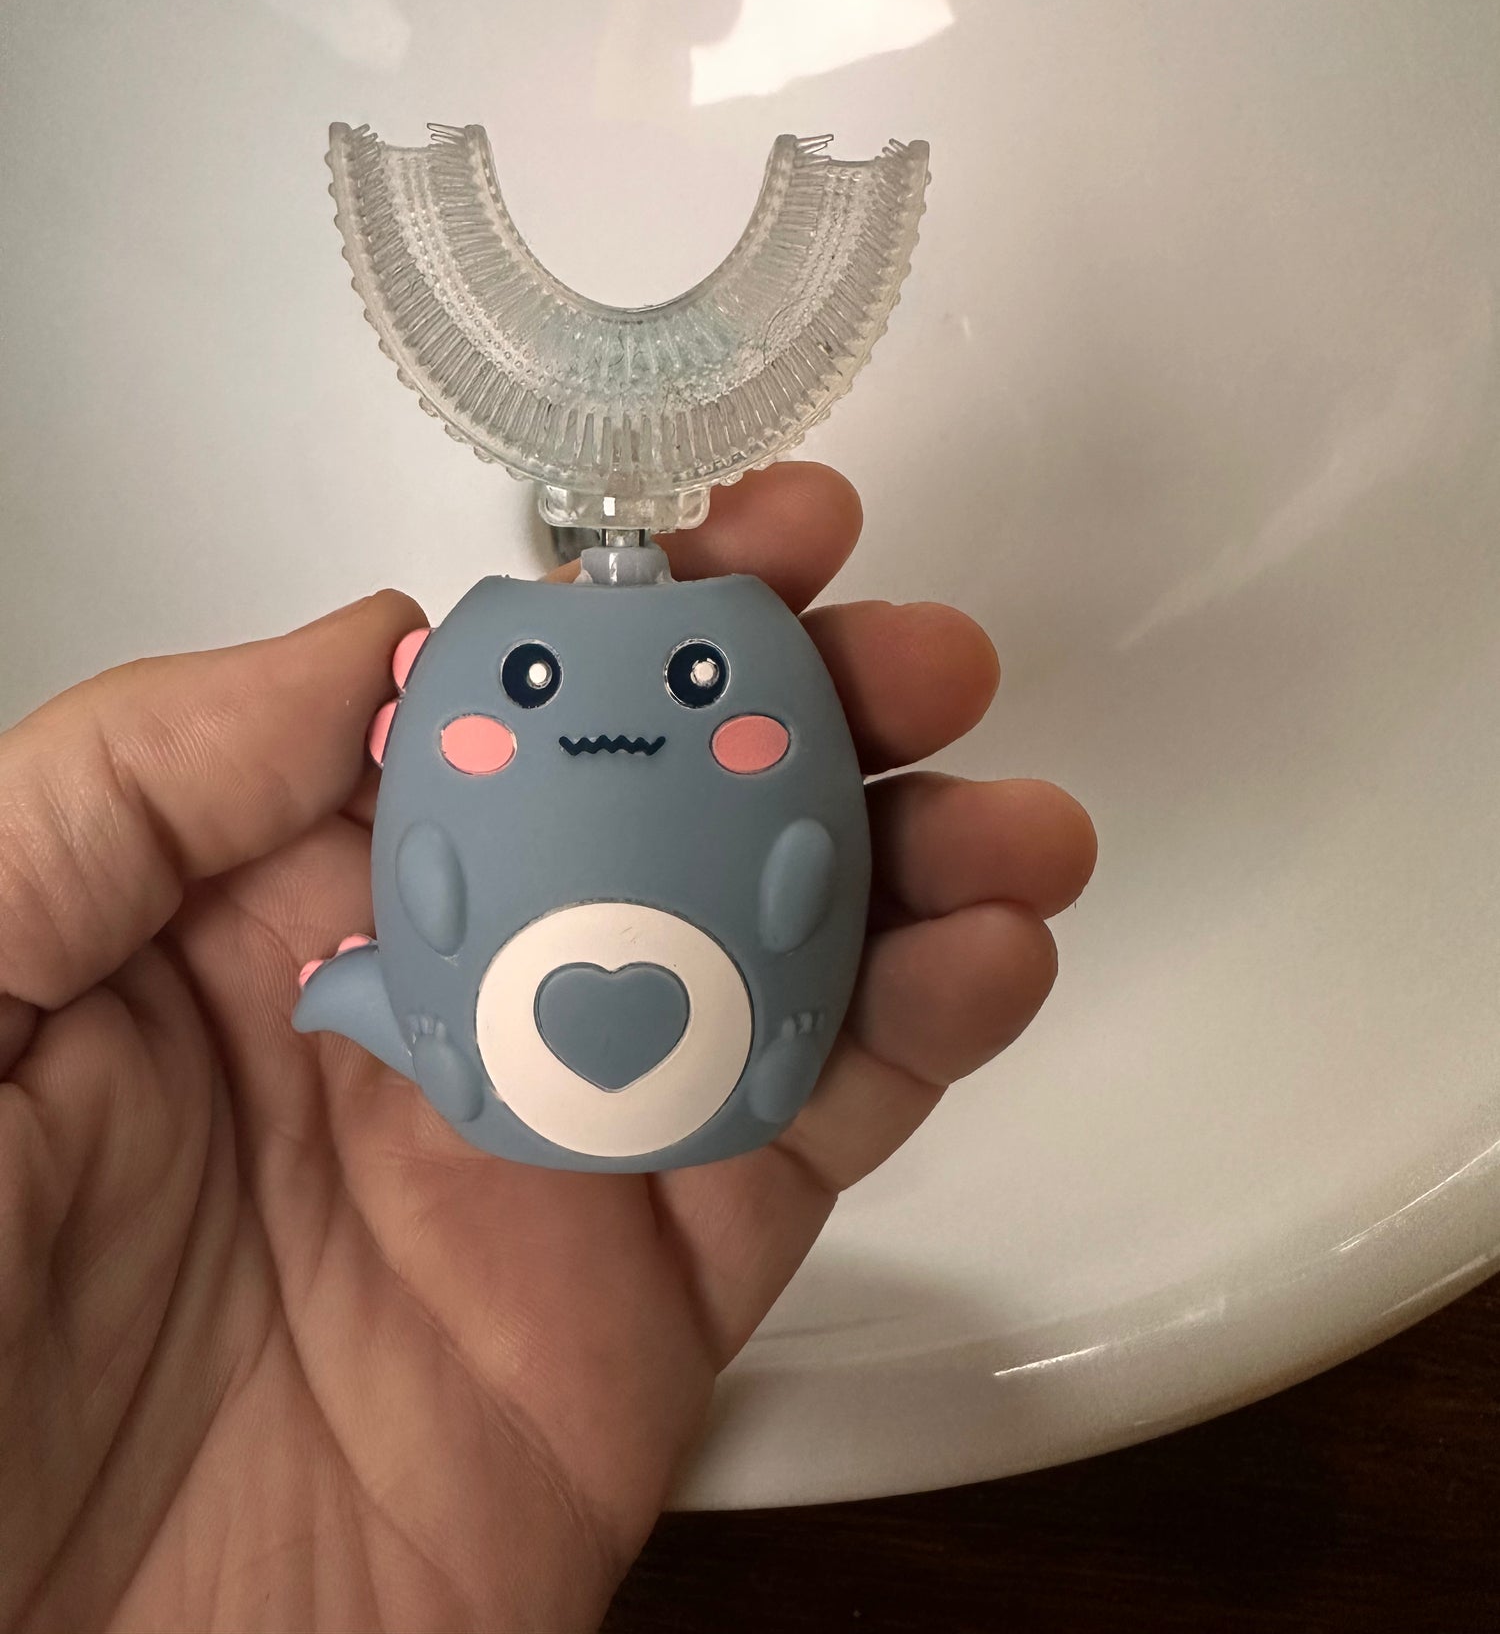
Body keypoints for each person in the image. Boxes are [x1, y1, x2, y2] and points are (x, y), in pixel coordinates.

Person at [0, 465, 1095, 1634]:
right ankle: (367, 995)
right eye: (527, 683)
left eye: (701, 683)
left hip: (634, 1076)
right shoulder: (604, 646)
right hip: (592, 1077)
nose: (609, 726)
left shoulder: (631, 645)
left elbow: (799, 876)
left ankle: (369, 994)